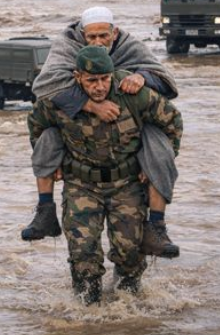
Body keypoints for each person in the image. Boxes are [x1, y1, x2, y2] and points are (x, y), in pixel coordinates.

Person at [27, 46, 183, 304]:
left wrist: (154, 163)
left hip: (127, 185)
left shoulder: (133, 95)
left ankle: (128, 309)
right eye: (92, 81)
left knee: (130, 252)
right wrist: (50, 161)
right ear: (78, 77)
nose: (99, 87)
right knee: (82, 253)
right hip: (81, 184)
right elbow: (37, 125)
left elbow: (172, 123)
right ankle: (87, 313)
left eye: (105, 79)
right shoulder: (61, 98)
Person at [24, 6, 181, 259]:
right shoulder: (66, 47)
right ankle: (44, 209)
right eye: (91, 37)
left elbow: (169, 92)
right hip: (82, 175)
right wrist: (90, 105)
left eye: (103, 37)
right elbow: (42, 91)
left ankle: (157, 226)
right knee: (83, 257)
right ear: (81, 35)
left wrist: (143, 77)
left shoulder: (130, 51)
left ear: (114, 33)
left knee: (130, 256)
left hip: (127, 170)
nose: (98, 42)